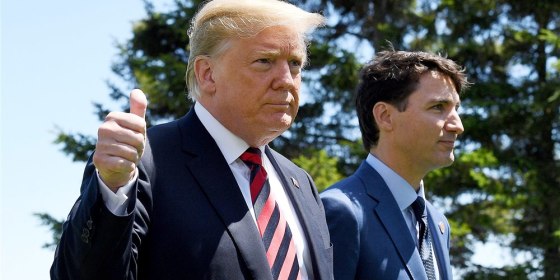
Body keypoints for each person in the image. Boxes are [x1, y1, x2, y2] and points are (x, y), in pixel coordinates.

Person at [50, 1, 333, 279]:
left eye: (295, 64)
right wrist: (113, 187)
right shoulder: (144, 161)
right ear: (207, 74)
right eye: (265, 61)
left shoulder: (300, 184)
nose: (286, 80)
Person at [321, 50, 469, 280]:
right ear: (385, 116)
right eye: (438, 107)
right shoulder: (341, 212)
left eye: (456, 109)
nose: (457, 125)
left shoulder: (439, 224)